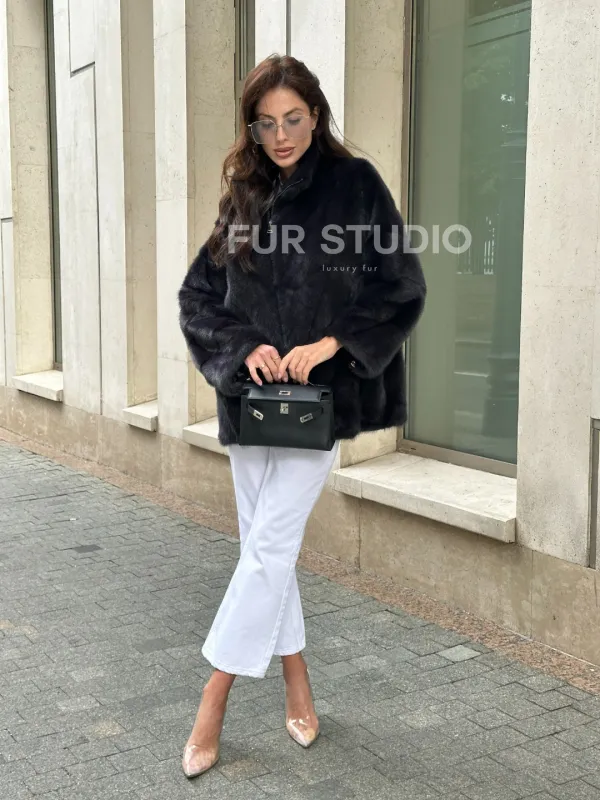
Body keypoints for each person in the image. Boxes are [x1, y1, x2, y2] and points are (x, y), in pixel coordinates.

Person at [177, 53, 426, 779]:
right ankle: (297, 684)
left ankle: (212, 700)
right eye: (266, 123)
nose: (281, 135)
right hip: (250, 404)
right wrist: (244, 347)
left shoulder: (356, 185)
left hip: (320, 404)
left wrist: (332, 342)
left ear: (315, 115)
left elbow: (400, 285)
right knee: (266, 549)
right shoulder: (243, 197)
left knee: (268, 547)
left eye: (292, 118)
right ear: (252, 128)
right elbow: (198, 298)